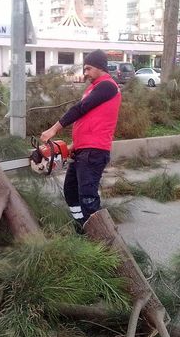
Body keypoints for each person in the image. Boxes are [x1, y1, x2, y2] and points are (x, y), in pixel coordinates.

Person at [40, 49, 121, 229]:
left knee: (88, 196)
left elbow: (80, 109)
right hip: (83, 149)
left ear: (100, 67)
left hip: (94, 151)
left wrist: (53, 130)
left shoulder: (107, 86)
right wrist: (73, 145)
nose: (85, 73)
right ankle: (82, 225)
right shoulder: (95, 87)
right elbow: (90, 121)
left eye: (88, 69)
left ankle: (102, 236)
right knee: (70, 191)